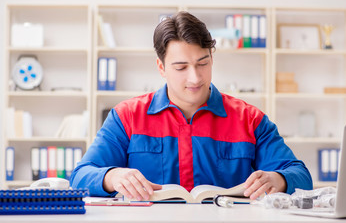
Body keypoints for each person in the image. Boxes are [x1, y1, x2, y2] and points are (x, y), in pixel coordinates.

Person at [70, 11, 312, 201]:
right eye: (181, 67)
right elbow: (80, 176)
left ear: (212, 59)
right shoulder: (127, 117)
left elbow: (301, 176)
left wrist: (278, 179)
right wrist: (112, 176)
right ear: (161, 67)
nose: (195, 78)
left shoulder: (250, 119)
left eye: (202, 63)